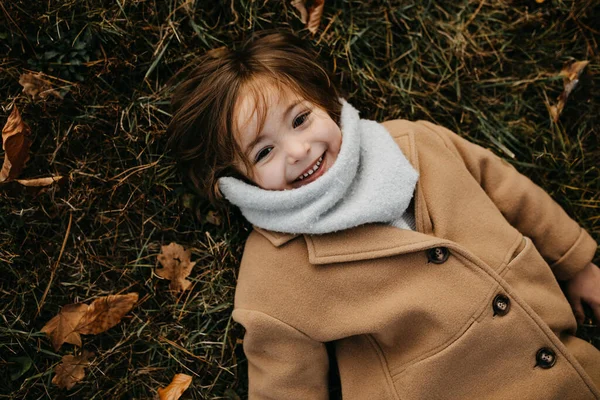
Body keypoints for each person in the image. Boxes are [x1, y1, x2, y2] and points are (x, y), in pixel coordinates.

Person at [166, 31, 600, 399]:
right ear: (237, 179)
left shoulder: (412, 140)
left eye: (300, 119)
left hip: (572, 365)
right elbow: (284, 381)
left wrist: (575, 263)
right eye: (264, 151)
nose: (298, 151)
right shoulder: (274, 272)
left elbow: (510, 190)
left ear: (324, 103)